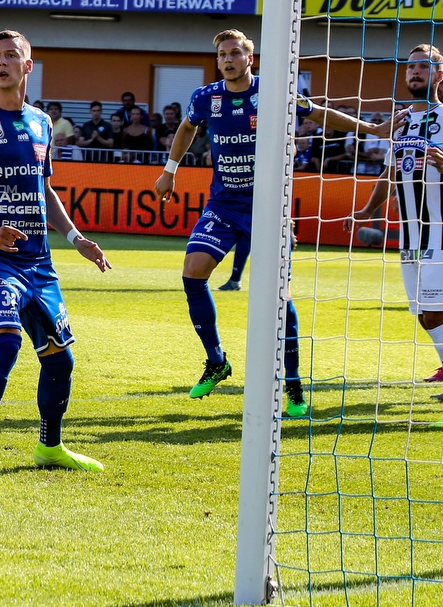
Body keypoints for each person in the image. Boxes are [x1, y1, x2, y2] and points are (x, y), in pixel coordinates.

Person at [155, 30, 393, 415]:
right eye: (222, 55)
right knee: (192, 272)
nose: (228, 59)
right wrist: (170, 170)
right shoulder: (206, 97)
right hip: (224, 202)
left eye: (235, 53)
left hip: (268, 205)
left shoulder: (275, 91)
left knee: (278, 296)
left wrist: (371, 129)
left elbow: (319, 113)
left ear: (250, 58)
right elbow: (187, 127)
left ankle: (294, 385)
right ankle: (217, 361)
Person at [0, 30, 111, 484]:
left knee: (61, 361)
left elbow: (46, 190)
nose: (1, 63)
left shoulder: (40, 122)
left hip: (39, 262)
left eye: (10, 56)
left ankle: (50, 446)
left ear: (27, 66)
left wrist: (75, 237)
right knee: (6, 344)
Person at [347, 46, 443, 385]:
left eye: (424, 66)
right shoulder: (399, 122)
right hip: (410, 233)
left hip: (439, 231)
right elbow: (390, 174)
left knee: (434, 311)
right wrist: (367, 209)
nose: (415, 71)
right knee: (423, 312)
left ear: (439, 75)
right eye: (410, 67)